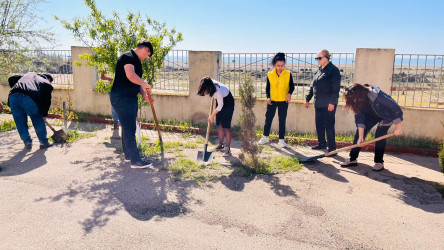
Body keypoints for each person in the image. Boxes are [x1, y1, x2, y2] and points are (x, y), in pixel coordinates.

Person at [109, 40, 155, 169]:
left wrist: (144, 95)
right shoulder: (127, 57)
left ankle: (130, 156)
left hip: (128, 98)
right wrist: (146, 84)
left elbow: (135, 82)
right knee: (129, 128)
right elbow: (130, 75)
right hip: (122, 99)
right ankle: (136, 161)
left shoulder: (136, 61)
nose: (146, 58)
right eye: (148, 55)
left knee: (128, 128)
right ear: (146, 50)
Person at [340, 83, 403, 171]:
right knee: (359, 135)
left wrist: (398, 127)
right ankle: (352, 159)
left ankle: (379, 162)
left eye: (352, 98)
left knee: (380, 136)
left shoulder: (377, 96)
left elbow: (395, 108)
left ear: (358, 95)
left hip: (386, 115)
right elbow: (360, 119)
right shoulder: (357, 101)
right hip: (372, 115)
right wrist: (361, 137)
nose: (352, 101)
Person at [305, 49, 341, 153]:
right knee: (319, 124)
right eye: (317, 58)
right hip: (318, 103)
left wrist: (332, 102)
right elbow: (313, 86)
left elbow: (336, 88)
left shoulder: (333, 70)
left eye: (320, 58)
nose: (318, 60)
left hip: (328, 104)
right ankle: (321, 144)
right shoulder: (318, 70)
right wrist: (308, 99)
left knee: (329, 126)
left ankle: (332, 147)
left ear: (326, 58)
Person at [8, 72, 54, 149]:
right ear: (49, 79)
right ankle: (43, 142)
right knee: (37, 119)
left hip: (13, 97)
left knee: (19, 121)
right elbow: (47, 101)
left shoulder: (28, 75)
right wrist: (44, 114)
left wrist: (18, 89)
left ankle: (27, 142)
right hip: (27, 98)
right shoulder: (46, 82)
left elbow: (11, 79)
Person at [258, 52, 294, 147]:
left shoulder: (288, 74)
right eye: (278, 65)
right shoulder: (270, 74)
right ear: (274, 64)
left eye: (282, 65)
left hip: (283, 101)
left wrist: (289, 94)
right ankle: (265, 137)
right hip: (272, 101)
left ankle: (281, 140)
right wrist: (268, 97)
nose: (280, 67)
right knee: (268, 119)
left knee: (282, 120)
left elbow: (292, 87)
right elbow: (267, 88)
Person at [197, 77, 235, 157]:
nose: (205, 92)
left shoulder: (218, 91)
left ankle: (227, 149)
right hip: (220, 102)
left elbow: (220, 106)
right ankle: (220, 145)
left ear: (209, 87)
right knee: (220, 124)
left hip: (228, 103)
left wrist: (212, 116)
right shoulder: (210, 83)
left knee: (226, 126)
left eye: (205, 90)